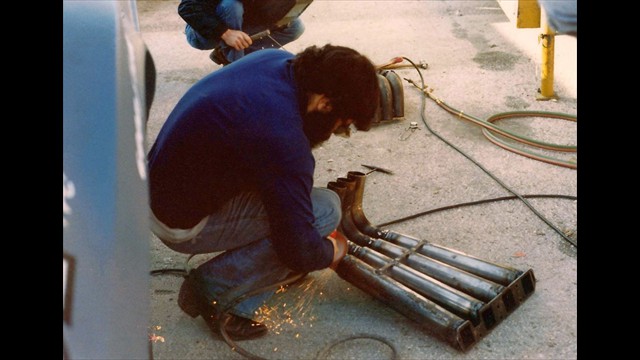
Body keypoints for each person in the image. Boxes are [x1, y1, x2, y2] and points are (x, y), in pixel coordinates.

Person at [147, 44, 380, 341]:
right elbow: (297, 247)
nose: (336, 132)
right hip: (180, 223)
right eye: (340, 125)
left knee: (298, 208)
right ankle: (216, 291)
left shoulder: (277, 60)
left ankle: (256, 271)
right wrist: (329, 252)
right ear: (325, 103)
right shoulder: (282, 137)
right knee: (325, 210)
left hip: (158, 187)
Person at [178, 0, 306, 65]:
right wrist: (224, 33)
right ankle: (237, 69)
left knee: (294, 26)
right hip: (203, 31)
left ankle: (226, 53)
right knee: (232, 5)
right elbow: (187, 8)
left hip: (238, 23)